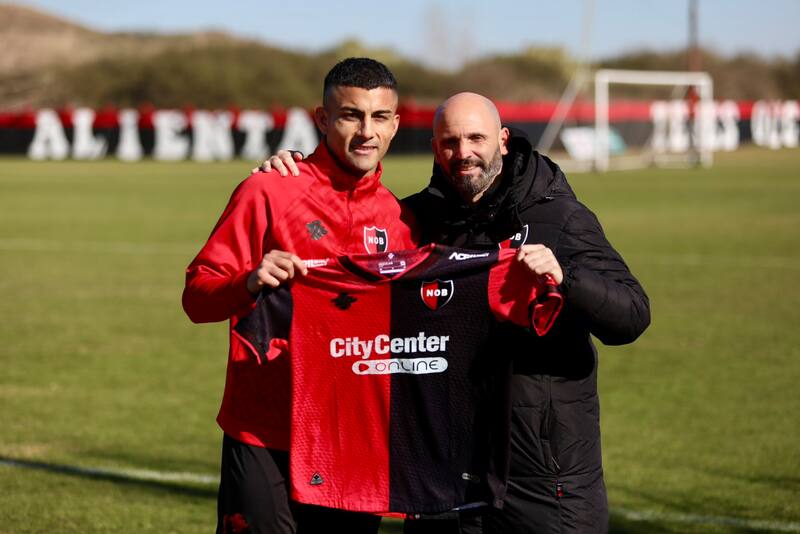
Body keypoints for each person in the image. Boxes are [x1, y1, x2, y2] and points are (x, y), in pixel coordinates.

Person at [263, 91, 650, 533]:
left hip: (545, 479)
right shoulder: (414, 222)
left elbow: (633, 315)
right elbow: (347, 236)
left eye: (476, 139)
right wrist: (299, 171)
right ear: (434, 147)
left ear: (503, 140)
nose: (463, 153)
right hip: (440, 473)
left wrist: (567, 278)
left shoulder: (559, 218)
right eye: (450, 142)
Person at [182, 57, 418, 534]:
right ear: (323, 118)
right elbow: (197, 296)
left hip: (351, 440)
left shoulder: (399, 219)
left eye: (378, 117)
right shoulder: (267, 190)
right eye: (351, 115)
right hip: (266, 430)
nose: (365, 131)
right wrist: (248, 279)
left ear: (395, 125)